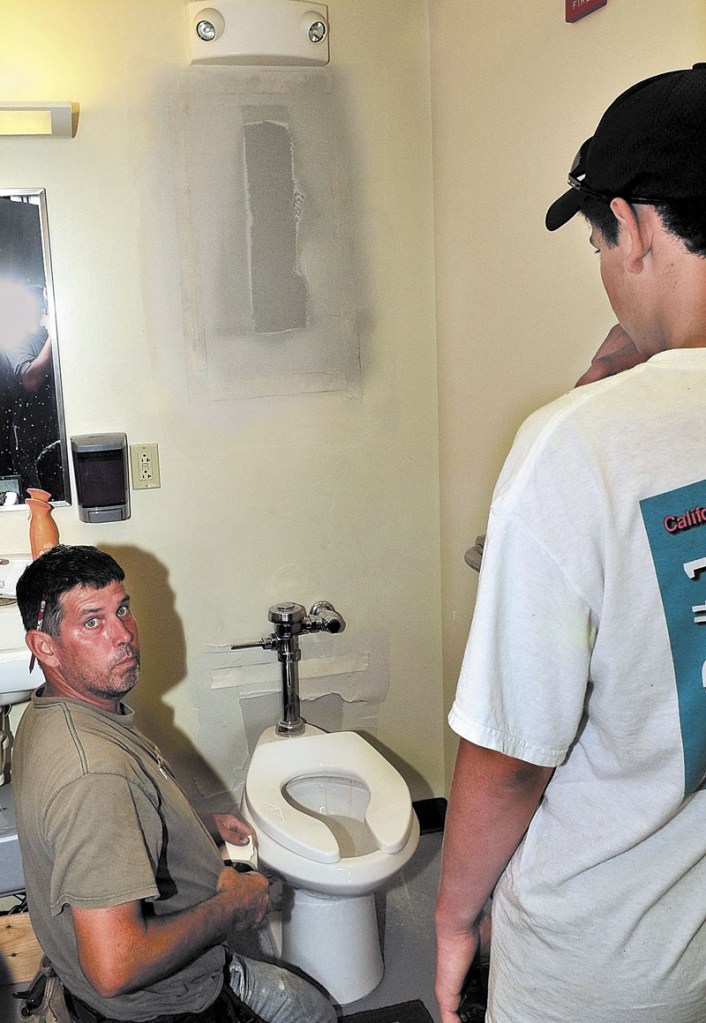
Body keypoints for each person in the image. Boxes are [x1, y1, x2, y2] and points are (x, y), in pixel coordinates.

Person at [434, 63, 706, 1023]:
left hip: (602, 964)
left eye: (598, 241)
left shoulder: (575, 448)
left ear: (631, 225)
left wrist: (453, 918)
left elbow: (512, 758)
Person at [12, 544, 337, 1023]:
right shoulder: (95, 776)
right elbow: (115, 967)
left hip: (119, 988)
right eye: (92, 622)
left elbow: (109, 824)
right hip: (169, 1004)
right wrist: (234, 906)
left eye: (122, 609)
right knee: (313, 1013)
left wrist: (192, 825)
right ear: (44, 646)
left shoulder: (52, 713)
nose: (123, 635)